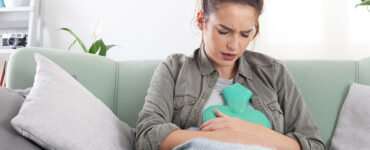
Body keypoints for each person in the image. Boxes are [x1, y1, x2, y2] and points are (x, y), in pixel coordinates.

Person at [135, 0, 326, 150]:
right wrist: (218, 137)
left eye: (245, 34)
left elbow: (314, 145)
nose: (234, 46)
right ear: (202, 20)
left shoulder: (273, 72)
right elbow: (146, 137)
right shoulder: (174, 69)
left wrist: (251, 132)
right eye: (224, 31)